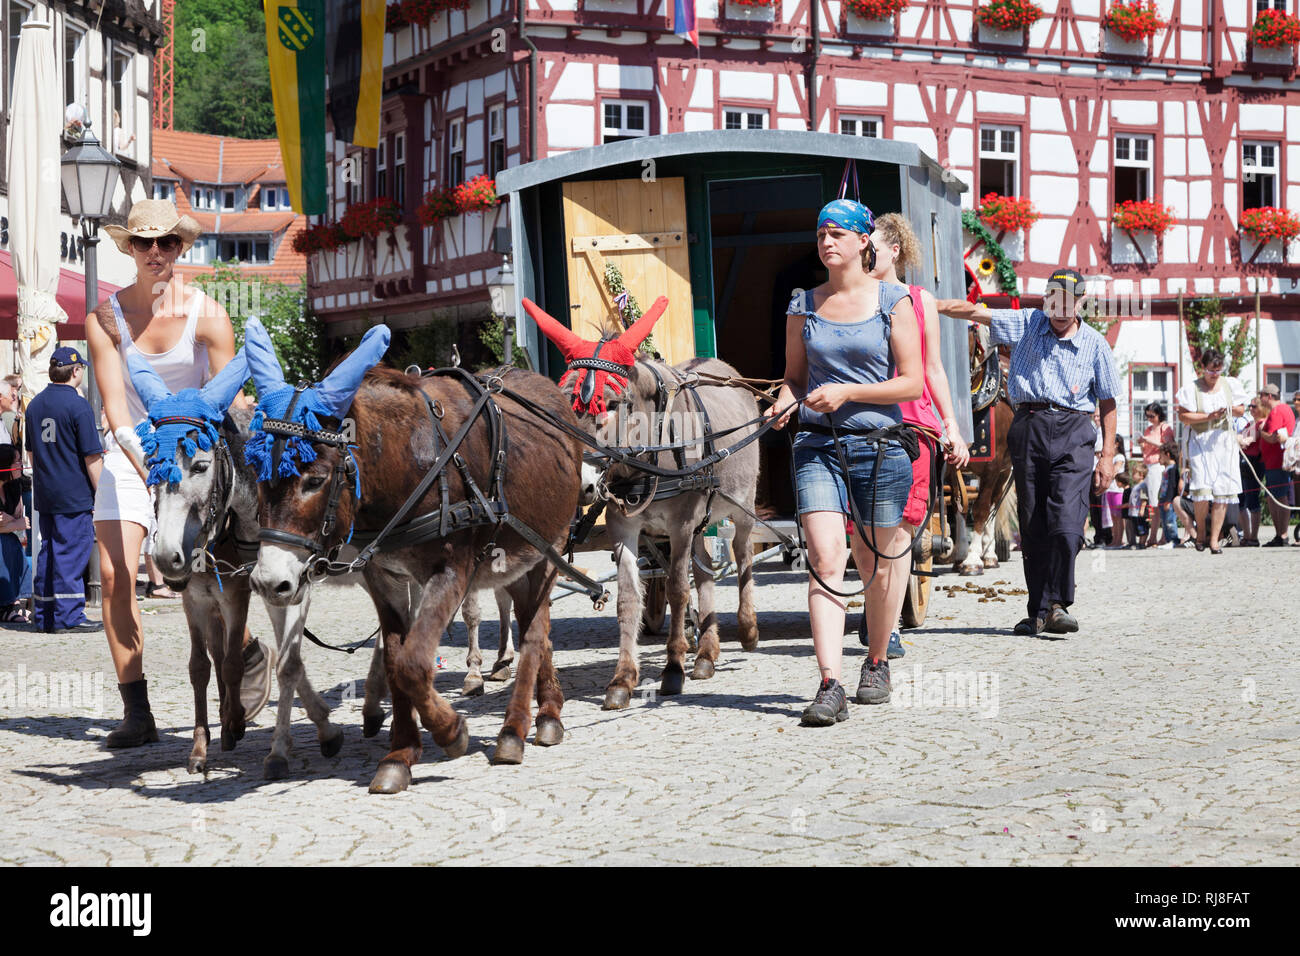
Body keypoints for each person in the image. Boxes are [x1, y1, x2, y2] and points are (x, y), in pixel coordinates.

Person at [88, 199, 273, 748]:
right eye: (143, 243)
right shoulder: (105, 317)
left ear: (180, 248)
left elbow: (229, 400)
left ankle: (242, 651)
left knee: (212, 572)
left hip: (195, 459)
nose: (155, 252)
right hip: (132, 453)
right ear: (129, 249)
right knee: (116, 574)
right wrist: (142, 460)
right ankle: (137, 710)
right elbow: (115, 403)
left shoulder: (208, 313)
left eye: (166, 242)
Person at [767, 198, 923, 723]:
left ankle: (875, 661)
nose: (827, 242)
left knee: (876, 567)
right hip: (818, 447)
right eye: (820, 234)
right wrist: (785, 400)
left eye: (837, 233)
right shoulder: (802, 304)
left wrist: (846, 392)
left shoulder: (894, 301)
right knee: (825, 559)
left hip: (880, 447)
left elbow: (912, 382)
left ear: (864, 242)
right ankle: (829, 683)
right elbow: (792, 375)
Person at [937, 267, 1120, 636]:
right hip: (1029, 425)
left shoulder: (1095, 344)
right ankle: (1038, 610)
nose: (1060, 308)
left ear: (1081, 302)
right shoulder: (1026, 323)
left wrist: (1106, 457)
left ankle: (1057, 603)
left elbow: (1109, 401)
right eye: (1055, 299)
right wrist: (928, 304)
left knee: (1067, 526)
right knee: (1033, 523)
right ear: (1046, 299)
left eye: (1069, 301)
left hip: (1075, 431)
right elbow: (974, 312)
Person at [865, 212, 971, 660]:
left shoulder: (917, 299)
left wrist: (952, 427)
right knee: (864, 533)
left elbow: (933, 369)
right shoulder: (850, 297)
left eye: (870, 245)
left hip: (911, 425)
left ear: (894, 251)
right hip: (862, 425)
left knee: (903, 530)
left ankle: (885, 628)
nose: (863, 252)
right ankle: (876, 617)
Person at [23, 348, 104, 632]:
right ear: (76, 371)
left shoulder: (33, 405)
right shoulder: (79, 406)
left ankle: (45, 614)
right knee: (71, 553)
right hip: (74, 493)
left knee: (49, 551)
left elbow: (31, 454)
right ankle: (69, 617)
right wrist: (103, 495)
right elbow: (92, 457)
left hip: (46, 492)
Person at [1175, 349, 1247, 553]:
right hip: (1201, 442)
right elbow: (1183, 416)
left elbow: (1242, 409)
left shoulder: (1229, 385)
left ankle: (1215, 539)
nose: (1215, 375)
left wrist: (1228, 409)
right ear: (1203, 369)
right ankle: (1202, 535)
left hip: (1223, 442)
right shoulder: (1192, 389)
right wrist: (1209, 415)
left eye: (1218, 371)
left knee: (1222, 491)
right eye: (1211, 371)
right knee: (1202, 491)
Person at [1257, 382, 1296, 547]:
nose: (1260, 399)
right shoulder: (1286, 409)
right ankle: (1281, 534)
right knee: (1275, 497)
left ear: (1269, 396)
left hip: (1276, 462)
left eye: (1262, 396)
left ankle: (1282, 534)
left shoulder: (1277, 411)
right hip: (1276, 461)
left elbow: (1274, 437)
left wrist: (1261, 432)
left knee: (1278, 497)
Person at [0, 445, 31, 622]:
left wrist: (12, 524)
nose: (21, 464)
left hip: (8, 536)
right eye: (17, 461)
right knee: (4, 542)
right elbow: (18, 523)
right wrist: (14, 524)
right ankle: (6, 605)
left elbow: (22, 521)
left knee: (10, 540)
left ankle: (15, 602)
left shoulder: (14, 486)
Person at [1139, 403, 1174, 547]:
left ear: (1159, 414)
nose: (1149, 418)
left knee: (1157, 501)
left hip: (1158, 465)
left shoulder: (1165, 428)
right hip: (1147, 465)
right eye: (1147, 416)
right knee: (1151, 502)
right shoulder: (1148, 429)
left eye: (1152, 416)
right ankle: (1153, 536)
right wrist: (1142, 443)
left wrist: (1148, 440)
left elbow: (1167, 447)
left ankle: (1160, 536)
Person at [1237, 398, 1266, 546]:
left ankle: (1253, 536)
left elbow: (1247, 440)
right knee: (1242, 500)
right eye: (1250, 406)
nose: (1251, 409)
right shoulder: (1250, 423)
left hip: (1254, 463)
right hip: (1244, 462)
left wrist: (1238, 439)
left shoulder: (1261, 423)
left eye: (1254, 406)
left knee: (1252, 499)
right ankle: (1247, 535)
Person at [1156, 443, 1182, 547]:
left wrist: (1168, 500)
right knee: (1164, 522)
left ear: (1167, 454)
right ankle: (1168, 540)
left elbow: (1172, 486)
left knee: (1170, 521)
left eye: (1160, 455)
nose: (1159, 458)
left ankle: (1173, 540)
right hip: (1163, 499)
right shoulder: (1167, 469)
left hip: (1169, 500)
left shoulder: (1173, 468)